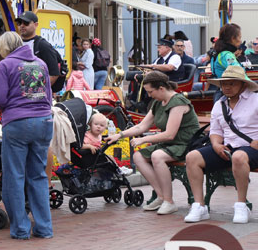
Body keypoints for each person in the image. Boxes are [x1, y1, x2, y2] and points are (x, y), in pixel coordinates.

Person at [107, 71, 199, 215]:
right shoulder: (158, 102)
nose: (149, 95)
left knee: (157, 156)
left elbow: (169, 134)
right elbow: (141, 126)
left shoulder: (178, 102)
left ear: (161, 88)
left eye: (150, 91)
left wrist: (143, 139)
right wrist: (119, 135)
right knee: (138, 157)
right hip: (171, 144)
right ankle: (161, 196)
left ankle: (169, 201)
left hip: (185, 144)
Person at [0, 31, 54, 240]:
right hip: (44, 121)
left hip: (17, 122)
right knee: (38, 175)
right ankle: (44, 227)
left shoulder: (5, 65)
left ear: (5, 48)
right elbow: (48, 94)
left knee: (15, 177)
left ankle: (20, 228)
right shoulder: (41, 64)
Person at [183, 65, 258, 224]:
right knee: (192, 157)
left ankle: (241, 205)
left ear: (243, 84)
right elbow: (216, 131)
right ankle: (199, 206)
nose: (227, 87)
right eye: (224, 84)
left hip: (252, 148)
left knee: (238, 156)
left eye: (232, 83)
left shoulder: (255, 100)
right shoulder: (219, 104)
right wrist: (216, 145)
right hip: (227, 148)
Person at [15, 11, 64, 92]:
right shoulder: (16, 43)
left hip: (36, 97)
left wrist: (38, 91)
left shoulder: (42, 45)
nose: (22, 26)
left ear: (36, 25)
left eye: (26, 23)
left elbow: (54, 73)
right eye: (19, 23)